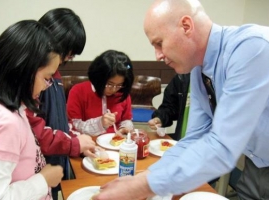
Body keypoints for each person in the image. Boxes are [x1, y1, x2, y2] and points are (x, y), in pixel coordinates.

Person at [93, 0, 269, 199]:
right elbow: (193, 139)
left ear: (186, 26)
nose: (157, 55)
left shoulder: (252, 48)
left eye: (159, 43)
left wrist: (144, 185)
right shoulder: (198, 71)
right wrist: (147, 177)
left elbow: (222, 146)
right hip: (257, 165)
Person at [0, 20, 64, 200]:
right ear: (24, 70)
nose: (46, 86)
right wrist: (43, 180)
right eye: (47, 77)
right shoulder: (6, 122)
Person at [25, 8, 96, 200]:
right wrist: (73, 144)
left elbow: (60, 120)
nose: (69, 58)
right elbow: (36, 131)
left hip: (57, 160)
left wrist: (76, 139)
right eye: (69, 53)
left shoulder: (54, 75)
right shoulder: (34, 80)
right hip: (40, 169)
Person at [67, 50, 134, 136]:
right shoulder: (78, 91)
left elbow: (126, 119)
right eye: (109, 84)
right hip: (87, 144)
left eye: (119, 85)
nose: (114, 89)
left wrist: (124, 128)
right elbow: (74, 126)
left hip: (115, 143)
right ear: (98, 78)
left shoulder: (122, 93)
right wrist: (100, 123)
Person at [148, 73, 190, 140]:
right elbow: (170, 107)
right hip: (182, 140)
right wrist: (160, 118)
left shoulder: (209, 79)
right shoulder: (181, 78)